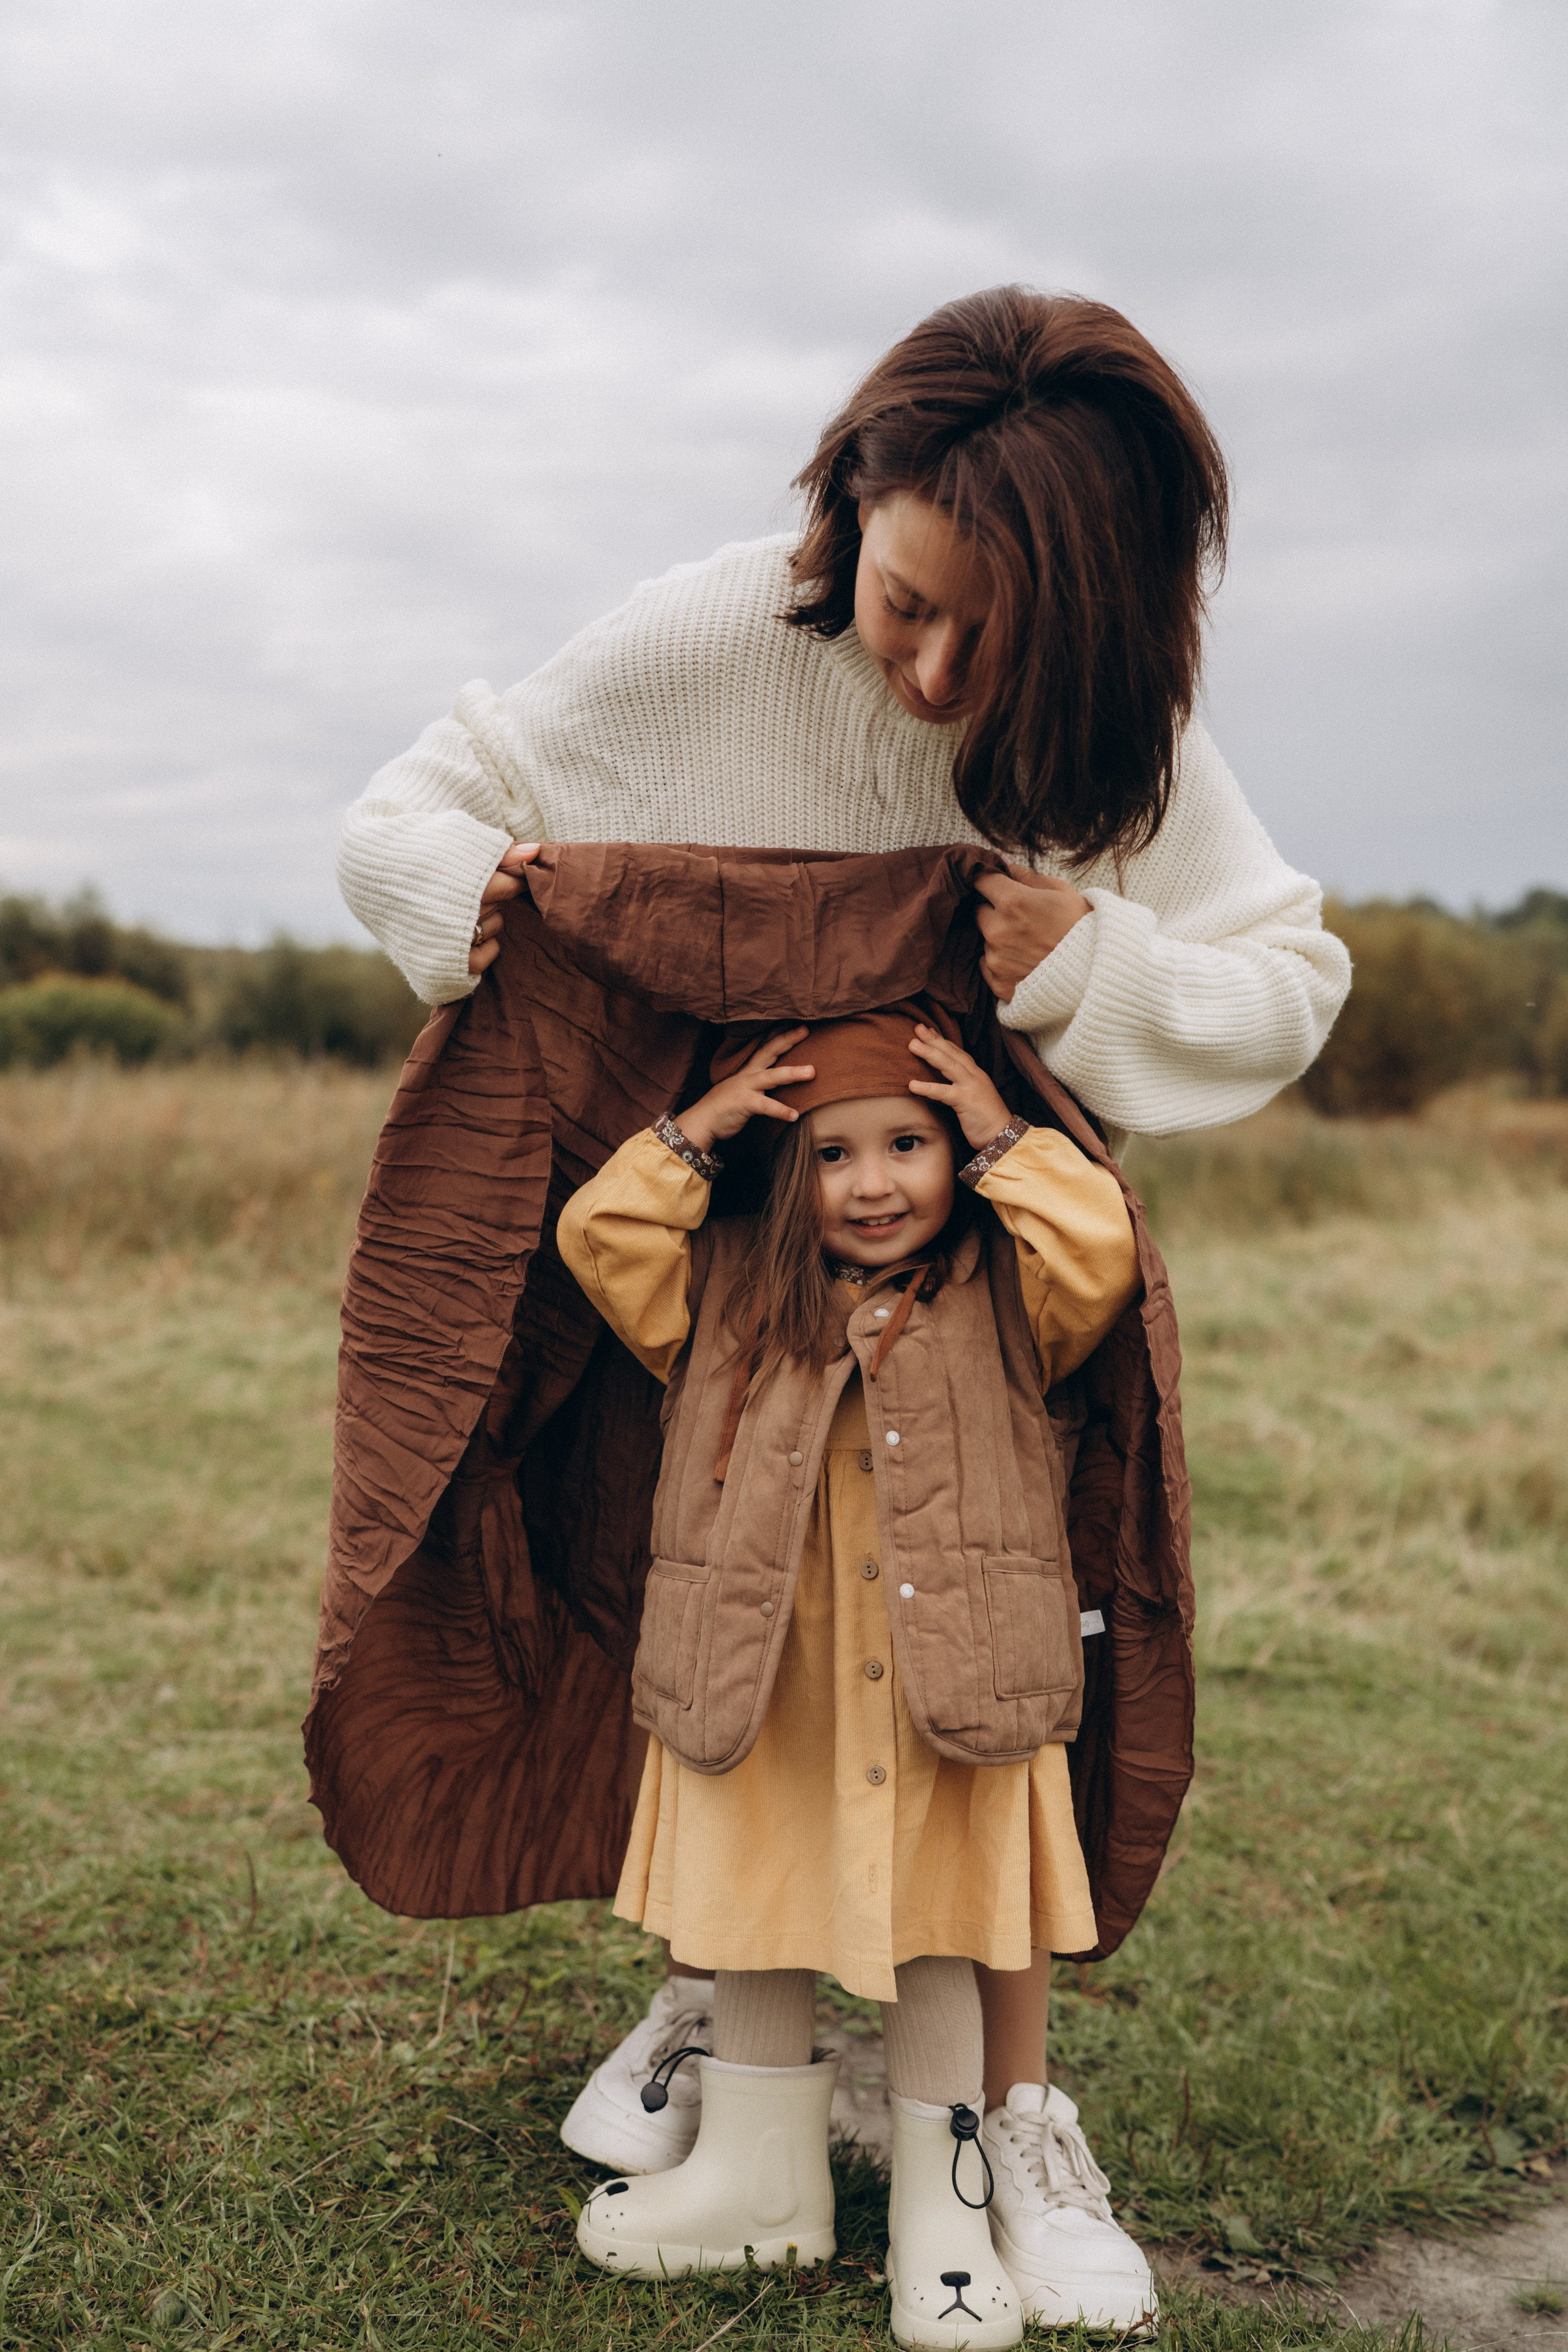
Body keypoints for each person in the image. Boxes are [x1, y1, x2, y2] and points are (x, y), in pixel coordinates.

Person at [335, 285, 1351, 2313]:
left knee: (995, 1652)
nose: (940, 674)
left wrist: (1086, 969)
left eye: (999, 641)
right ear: (848, 505)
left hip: (978, 1298)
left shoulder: (1111, 731)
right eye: (908, 608)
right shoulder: (708, 632)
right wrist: (540, 931)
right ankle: (741, 2021)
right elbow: (400, 821)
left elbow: (1286, 983)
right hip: (729, 1251)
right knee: (712, 1613)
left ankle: (1002, 2119)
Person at [556, 1004, 1152, 2344]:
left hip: (949, 1676)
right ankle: (754, 2184)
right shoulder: (721, 1299)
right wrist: (694, 1134)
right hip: (771, 1675)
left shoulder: (1007, 1298)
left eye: (908, 1144)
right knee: (758, 1899)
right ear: (784, 1174)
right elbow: (602, 1235)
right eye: (830, 1154)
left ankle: (943, 2221)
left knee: (940, 1911)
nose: (874, 1184)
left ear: (955, 1154)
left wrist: (1005, 1138)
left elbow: (1100, 1244)